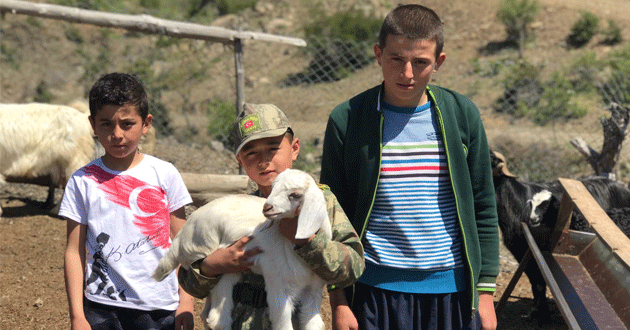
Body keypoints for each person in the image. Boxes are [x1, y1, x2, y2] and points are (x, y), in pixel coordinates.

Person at [320, 4, 500, 330]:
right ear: (378, 54)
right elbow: (333, 214)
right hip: (374, 290)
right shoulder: (348, 119)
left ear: (439, 62)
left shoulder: (462, 115)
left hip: (453, 292)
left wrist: (485, 291)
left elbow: (484, 206)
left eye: (420, 62)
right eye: (396, 59)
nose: (407, 73)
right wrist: (339, 298)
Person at [177, 103, 365, 329]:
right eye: (251, 152)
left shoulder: (320, 202)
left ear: (295, 148)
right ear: (239, 160)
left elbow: (352, 266)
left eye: (272, 148)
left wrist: (306, 241)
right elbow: (190, 284)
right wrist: (212, 266)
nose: (263, 160)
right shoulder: (234, 212)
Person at [62, 72, 195, 330]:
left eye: (126, 124)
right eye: (106, 124)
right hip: (101, 307)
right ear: (92, 124)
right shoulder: (82, 181)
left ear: (146, 123)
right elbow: (73, 251)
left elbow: (183, 243)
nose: (117, 134)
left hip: (158, 307)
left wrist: (186, 302)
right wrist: (77, 316)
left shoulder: (165, 175)